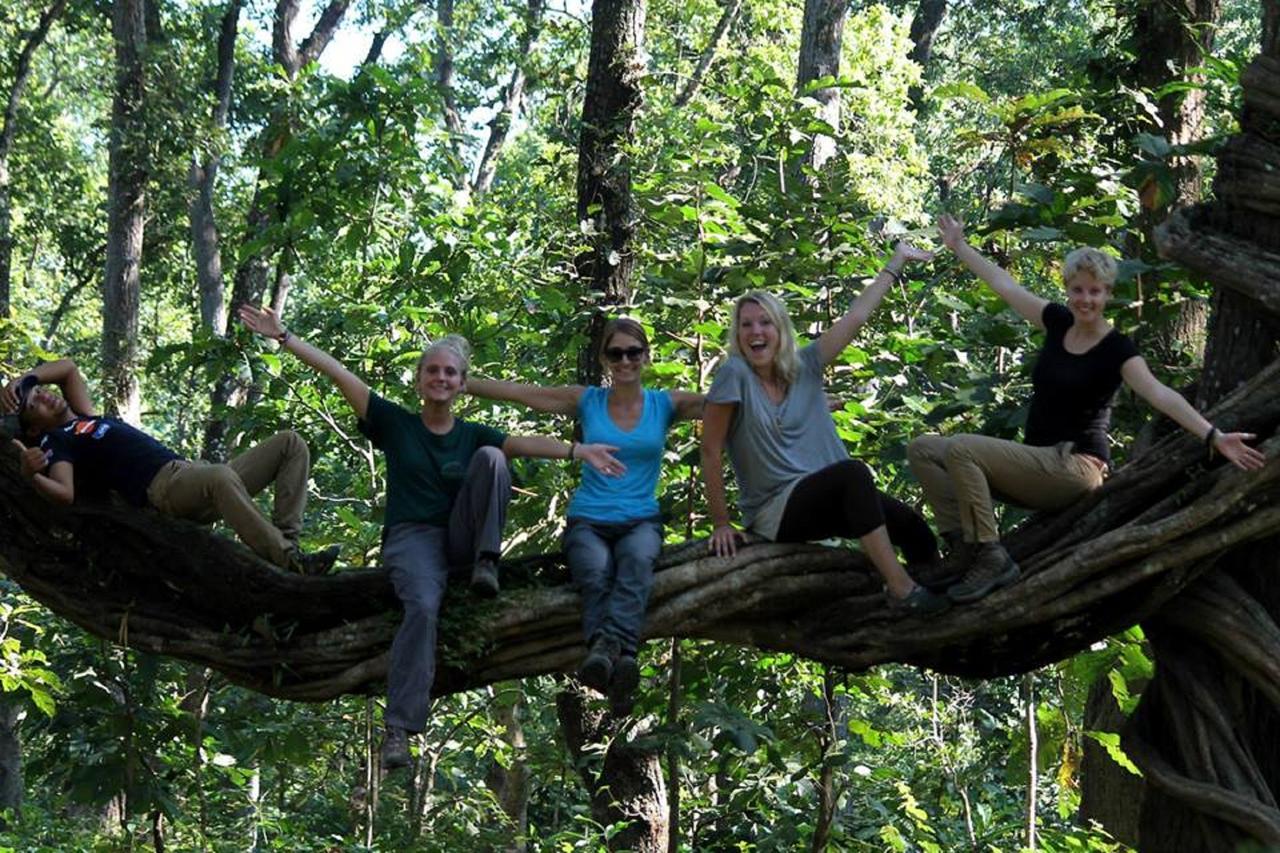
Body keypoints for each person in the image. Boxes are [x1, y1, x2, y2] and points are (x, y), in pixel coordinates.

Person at [237, 304, 625, 769]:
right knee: (421, 607)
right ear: (420, 380)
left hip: (461, 543)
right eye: (432, 370)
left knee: (493, 458)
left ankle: (487, 564)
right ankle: (399, 728)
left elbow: (525, 444)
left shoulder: (471, 433)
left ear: (462, 384)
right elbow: (339, 375)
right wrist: (284, 337)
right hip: (411, 539)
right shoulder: (396, 424)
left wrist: (580, 450)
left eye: (450, 372)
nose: (441, 378)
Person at [908, 215, 1266, 604]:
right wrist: (960, 247)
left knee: (962, 447)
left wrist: (1214, 436)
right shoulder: (1059, 323)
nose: (1086, 300)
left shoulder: (1117, 349)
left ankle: (991, 555)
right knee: (923, 449)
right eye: (1078, 290)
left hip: (1075, 469)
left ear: (1107, 293)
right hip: (1034, 464)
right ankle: (964, 550)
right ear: (1067, 290)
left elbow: (1160, 394)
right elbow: (1004, 285)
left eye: (1095, 291)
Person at [467, 318, 704, 715]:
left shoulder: (666, 403)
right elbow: (524, 394)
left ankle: (603, 651)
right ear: (604, 359)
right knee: (593, 575)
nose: (625, 360)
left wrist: (803, 400)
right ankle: (623, 656)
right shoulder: (588, 400)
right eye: (616, 353)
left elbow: (729, 402)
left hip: (640, 519)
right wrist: (460, 382)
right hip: (589, 520)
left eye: (633, 352)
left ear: (646, 356)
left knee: (636, 563)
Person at [701, 243, 950, 616]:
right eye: (746, 324)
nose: (756, 331)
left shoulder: (806, 365)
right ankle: (901, 589)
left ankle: (936, 600)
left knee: (915, 530)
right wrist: (721, 523)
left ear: (781, 329)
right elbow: (710, 449)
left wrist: (896, 261)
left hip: (830, 498)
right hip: (776, 511)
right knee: (853, 474)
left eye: (765, 322)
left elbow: (856, 317)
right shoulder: (734, 375)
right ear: (737, 334)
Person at [2, 358, 337, 575]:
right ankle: (287, 562)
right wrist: (31, 475)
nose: (44, 396)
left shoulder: (86, 418)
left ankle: (289, 546)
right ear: (33, 429)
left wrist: (22, 381)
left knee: (290, 443)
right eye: (34, 403)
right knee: (220, 476)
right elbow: (64, 493)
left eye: (41, 391)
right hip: (164, 488)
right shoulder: (57, 440)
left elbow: (68, 368)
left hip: (189, 475)